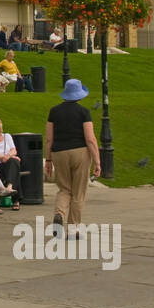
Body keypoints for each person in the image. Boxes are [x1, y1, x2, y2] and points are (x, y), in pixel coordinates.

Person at [44, 78, 102, 238]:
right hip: (80, 152)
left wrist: (48, 159)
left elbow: (49, 138)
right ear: (79, 95)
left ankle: (59, 215)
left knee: (64, 189)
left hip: (59, 153)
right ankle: (73, 228)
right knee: (78, 191)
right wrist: (97, 161)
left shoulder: (54, 111)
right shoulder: (84, 112)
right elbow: (90, 139)